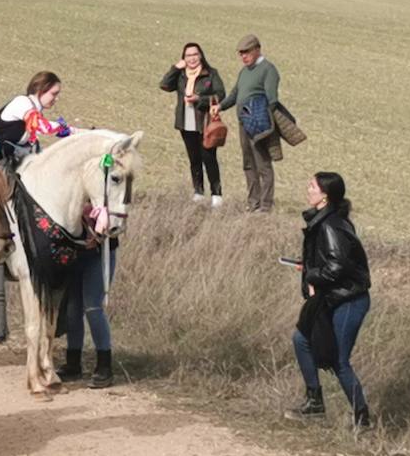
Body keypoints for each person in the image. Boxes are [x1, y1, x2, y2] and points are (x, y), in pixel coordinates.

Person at [286, 172, 373, 430]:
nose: (308, 188)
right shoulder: (324, 220)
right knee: (301, 339)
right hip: (330, 296)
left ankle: (362, 418)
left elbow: (336, 266)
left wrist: (310, 274)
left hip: (349, 300)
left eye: (312, 186)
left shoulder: (330, 225)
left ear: (325, 195)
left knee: (339, 360)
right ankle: (314, 402)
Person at [213, 34, 281, 213]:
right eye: (241, 53)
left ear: (257, 49)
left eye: (247, 52)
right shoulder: (244, 71)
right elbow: (235, 94)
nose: (243, 56)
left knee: (263, 164)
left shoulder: (268, 69)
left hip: (259, 124)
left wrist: (260, 119)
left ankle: (265, 206)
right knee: (248, 163)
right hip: (244, 124)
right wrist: (220, 107)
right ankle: (253, 203)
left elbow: (272, 99)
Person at [54, 218, 118, 389]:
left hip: (99, 254)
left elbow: (115, 226)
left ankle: (104, 366)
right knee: (72, 309)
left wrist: (100, 236)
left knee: (93, 307)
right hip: (76, 256)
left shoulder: (103, 196)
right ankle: (73, 364)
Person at [160, 42, 226, 207]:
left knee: (209, 157)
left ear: (201, 55)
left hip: (204, 122)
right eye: (188, 55)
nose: (192, 58)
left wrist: (200, 99)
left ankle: (216, 194)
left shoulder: (210, 74)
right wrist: (175, 67)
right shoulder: (181, 75)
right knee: (194, 158)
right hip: (186, 122)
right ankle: (198, 192)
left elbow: (220, 94)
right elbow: (164, 85)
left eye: (195, 54)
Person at [0, 71, 71, 171]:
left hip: (6, 161)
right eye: (54, 94)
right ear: (41, 90)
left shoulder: (35, 111)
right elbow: (41, 126)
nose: (56, 99)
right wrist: (66, 128)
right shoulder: (22, 103)